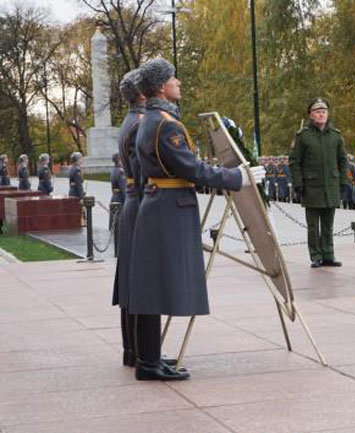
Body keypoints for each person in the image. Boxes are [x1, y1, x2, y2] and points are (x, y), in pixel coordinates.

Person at [130, 58, 264, 381]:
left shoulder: (151, 120)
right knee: (154, 287)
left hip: (159, 205)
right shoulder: (166, 125)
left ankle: (148, 357)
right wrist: (237, 178)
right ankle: (147, 363)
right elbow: (192, 169)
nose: (179, 83)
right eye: (174, 78)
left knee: (150, 287)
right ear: (161, 86)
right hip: (168, 208)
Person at [112, 69, 145, 369]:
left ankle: (134, 351)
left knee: (131, 283)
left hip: (131, 204)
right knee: (138, 284)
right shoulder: (139, 125)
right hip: (139, 205)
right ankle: (138, 351)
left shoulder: (132, 121)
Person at [289, 97, 347, 268]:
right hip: (311, 187)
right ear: (311, 115)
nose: (321, 114)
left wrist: (343, 182)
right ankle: (316, 256)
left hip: (331, 186)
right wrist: (298, 184)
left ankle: (328, 254)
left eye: (324, 111)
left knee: (328, 224)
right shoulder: (303, 136)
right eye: (317, 112)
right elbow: (294, 162)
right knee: (313, 226)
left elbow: (342, 161)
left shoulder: (336, 136)